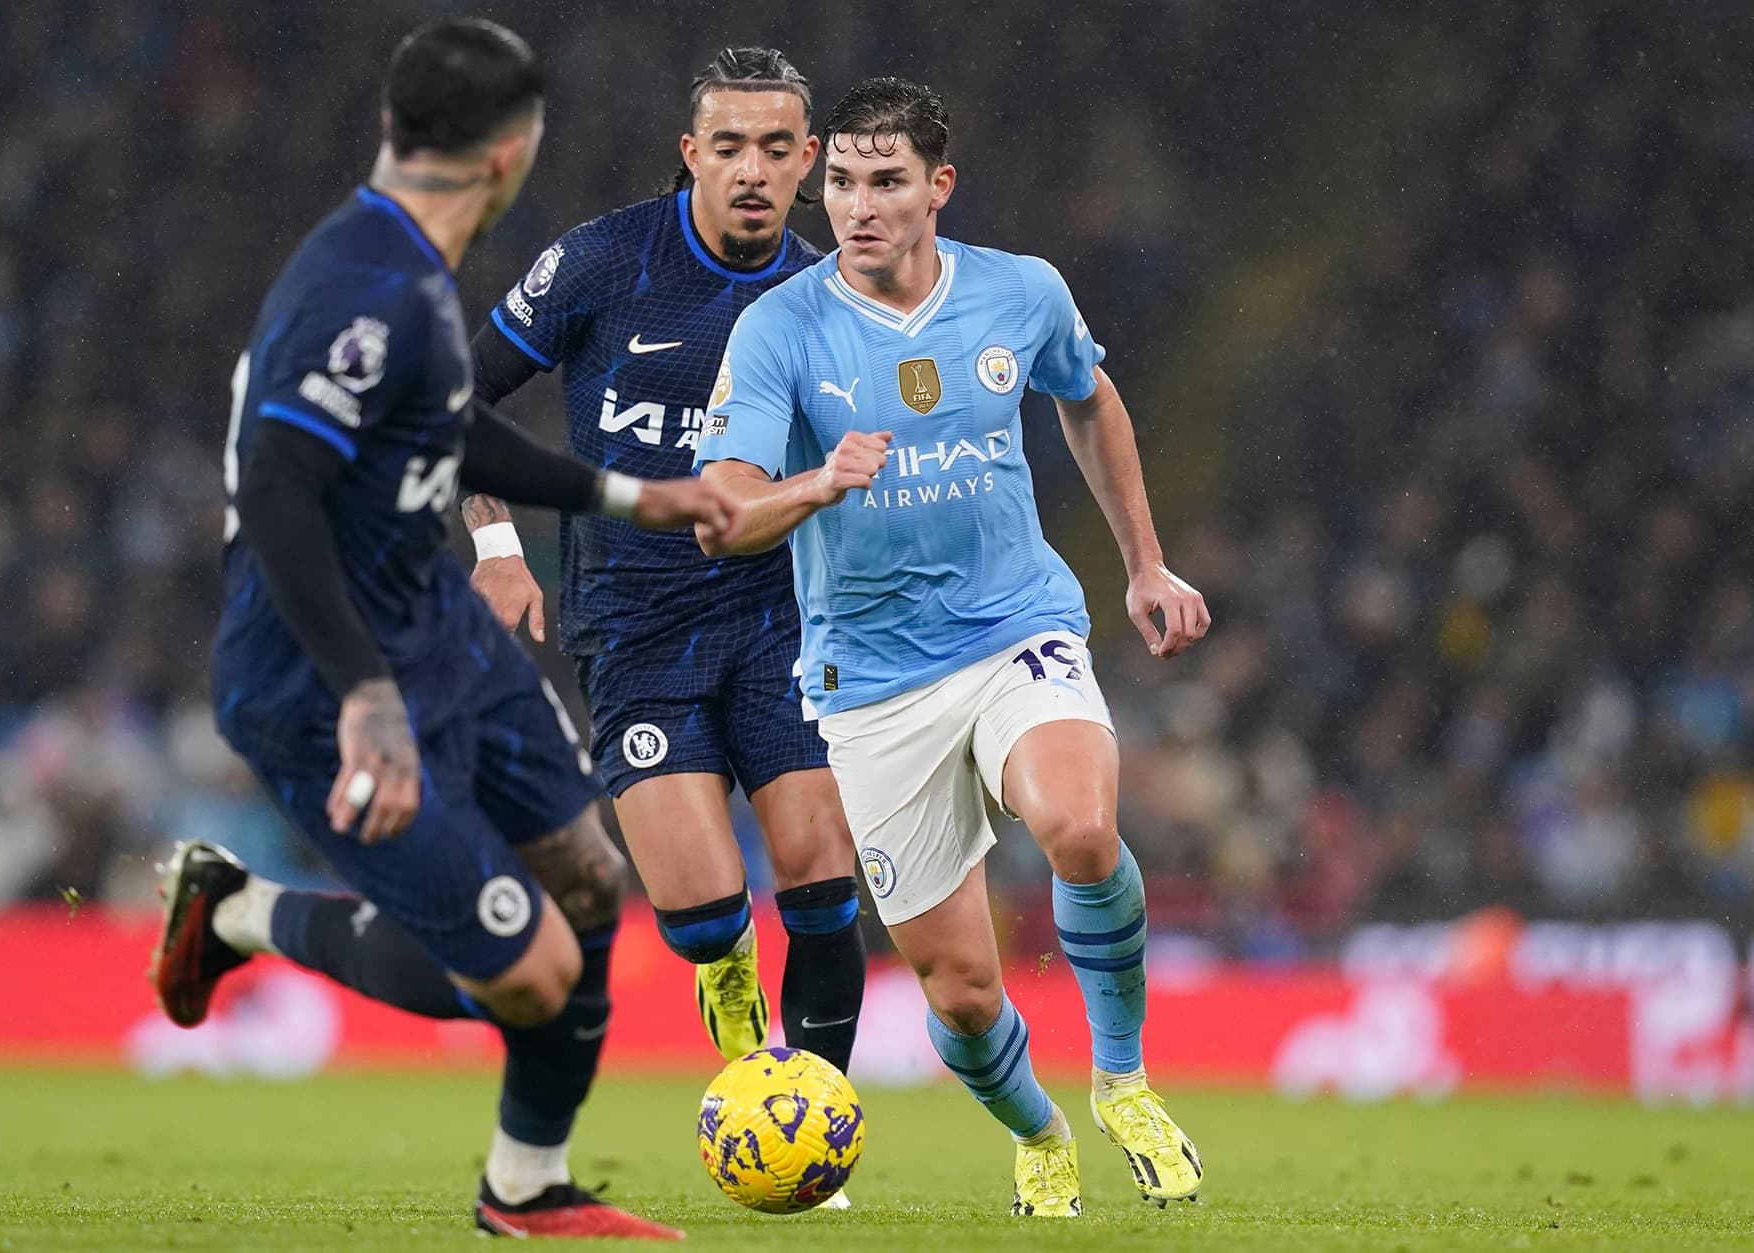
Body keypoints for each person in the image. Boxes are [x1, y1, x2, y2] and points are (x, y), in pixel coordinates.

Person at [151, 19, 739, 1240]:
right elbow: (274, 489)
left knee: (583, 875)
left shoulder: (409, 258)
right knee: (530, 973)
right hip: (320, 675)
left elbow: (450, 432)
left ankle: (527, 1188)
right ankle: (243, 912)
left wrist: (629, 494)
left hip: (431, 630)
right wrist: (362, 691)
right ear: (514, 152)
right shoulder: (358, 287)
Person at [695, 77, 1212, 1217]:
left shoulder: (1019, 292)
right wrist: (815, 480)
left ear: (939, 186)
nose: (857, 205)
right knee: (963, 992)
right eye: (840, 181)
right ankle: (1038, 1130)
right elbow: (723, 503)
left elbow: (1088, 398)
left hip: (1012, 623)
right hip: (870, 682)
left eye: (886, 182)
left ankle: (1122, 1077)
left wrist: (1141, 561)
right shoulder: (780, 325)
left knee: (1078, 824)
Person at [458, 49, 866, 1080]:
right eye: (727, 146)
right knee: (705, 920)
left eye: (775, 148)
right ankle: (749, 1070)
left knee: (822, 885)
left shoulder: (827, 300)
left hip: (776, 618)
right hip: (633, 630)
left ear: (807, 161)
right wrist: (498, 547)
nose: (751, 169)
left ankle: (807, 1118)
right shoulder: (602, 263)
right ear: (690, 154)